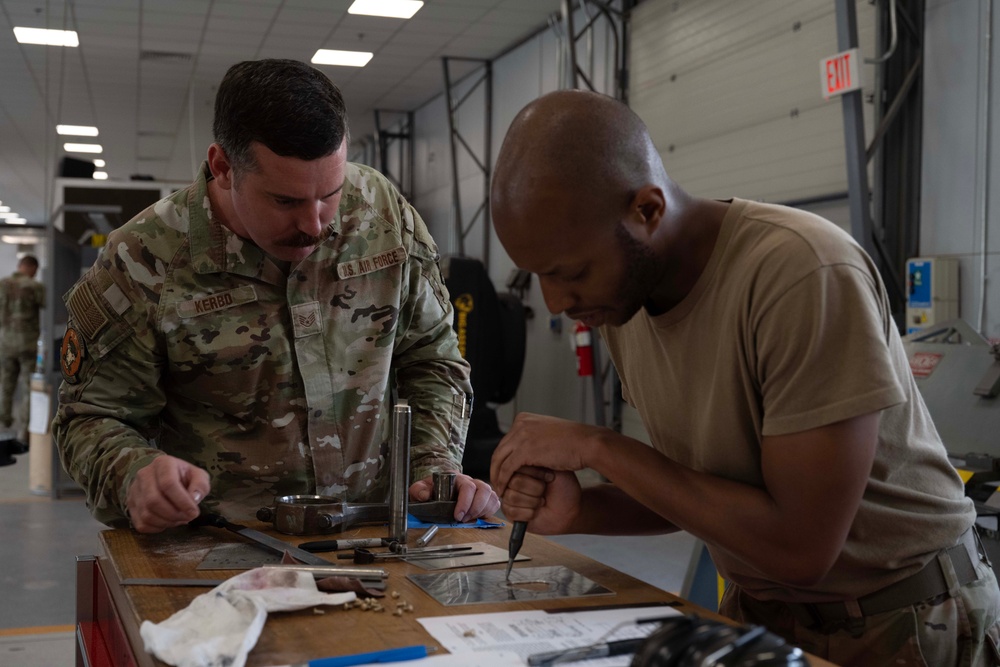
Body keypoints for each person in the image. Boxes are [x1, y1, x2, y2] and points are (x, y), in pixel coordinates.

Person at [488, 89, 1000, 666]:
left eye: (571, 272)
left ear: (648, 211)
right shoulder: (621, 297)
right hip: (765, 618)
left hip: (900, 621)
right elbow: (704, 491)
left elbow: (799, 547)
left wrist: (595, 445)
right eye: (539, 278)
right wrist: (582, 511)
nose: (556, 302)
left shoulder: (802, 272)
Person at [53, 59, 499, 533]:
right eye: (286, 201)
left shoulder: (382, 215)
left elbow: (433, 359)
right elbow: (91, 418)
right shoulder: (144, 259)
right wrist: (134, 475)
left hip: (374, 533)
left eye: (331, 192)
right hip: (218, 550)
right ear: (223, 167)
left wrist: (435, 463)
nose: (315, 224)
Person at [0, 254, 45, 447]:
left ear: (19, 265)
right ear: (32, 267)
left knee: (6, 384)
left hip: (5, 342)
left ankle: (4, 423)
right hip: (27, 344)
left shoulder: (2, 284)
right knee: (28, 387)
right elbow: (47, 307)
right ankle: (23, 430)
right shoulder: (34, 286)